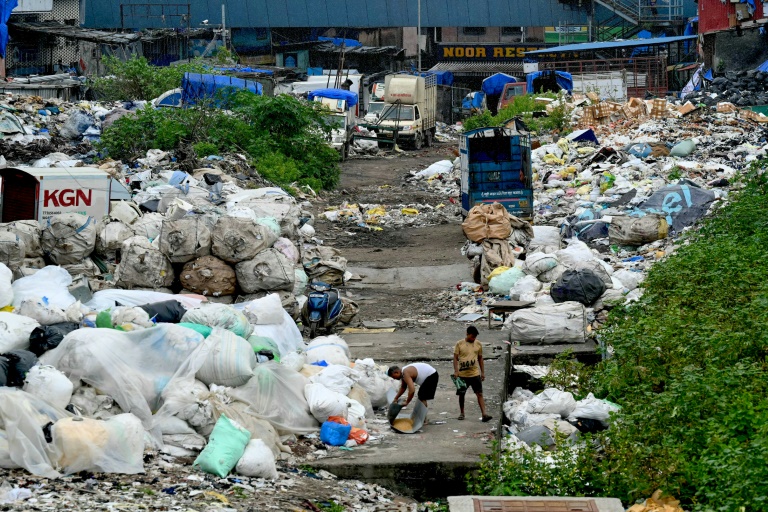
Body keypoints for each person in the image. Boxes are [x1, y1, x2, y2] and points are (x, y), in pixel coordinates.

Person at [453, 325, 492, 422]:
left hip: (474, 374)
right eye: (472, 336)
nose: (474, 338)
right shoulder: (459, 344)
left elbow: (480, 358)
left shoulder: (478, 344)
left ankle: (484, 414)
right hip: (462, 375)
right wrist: (456, 371)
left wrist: (482, 372)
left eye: (475, 337)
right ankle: (462, 413)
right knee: (462, 394)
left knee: (479, 394)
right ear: (467, 334)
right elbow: (455, 358)